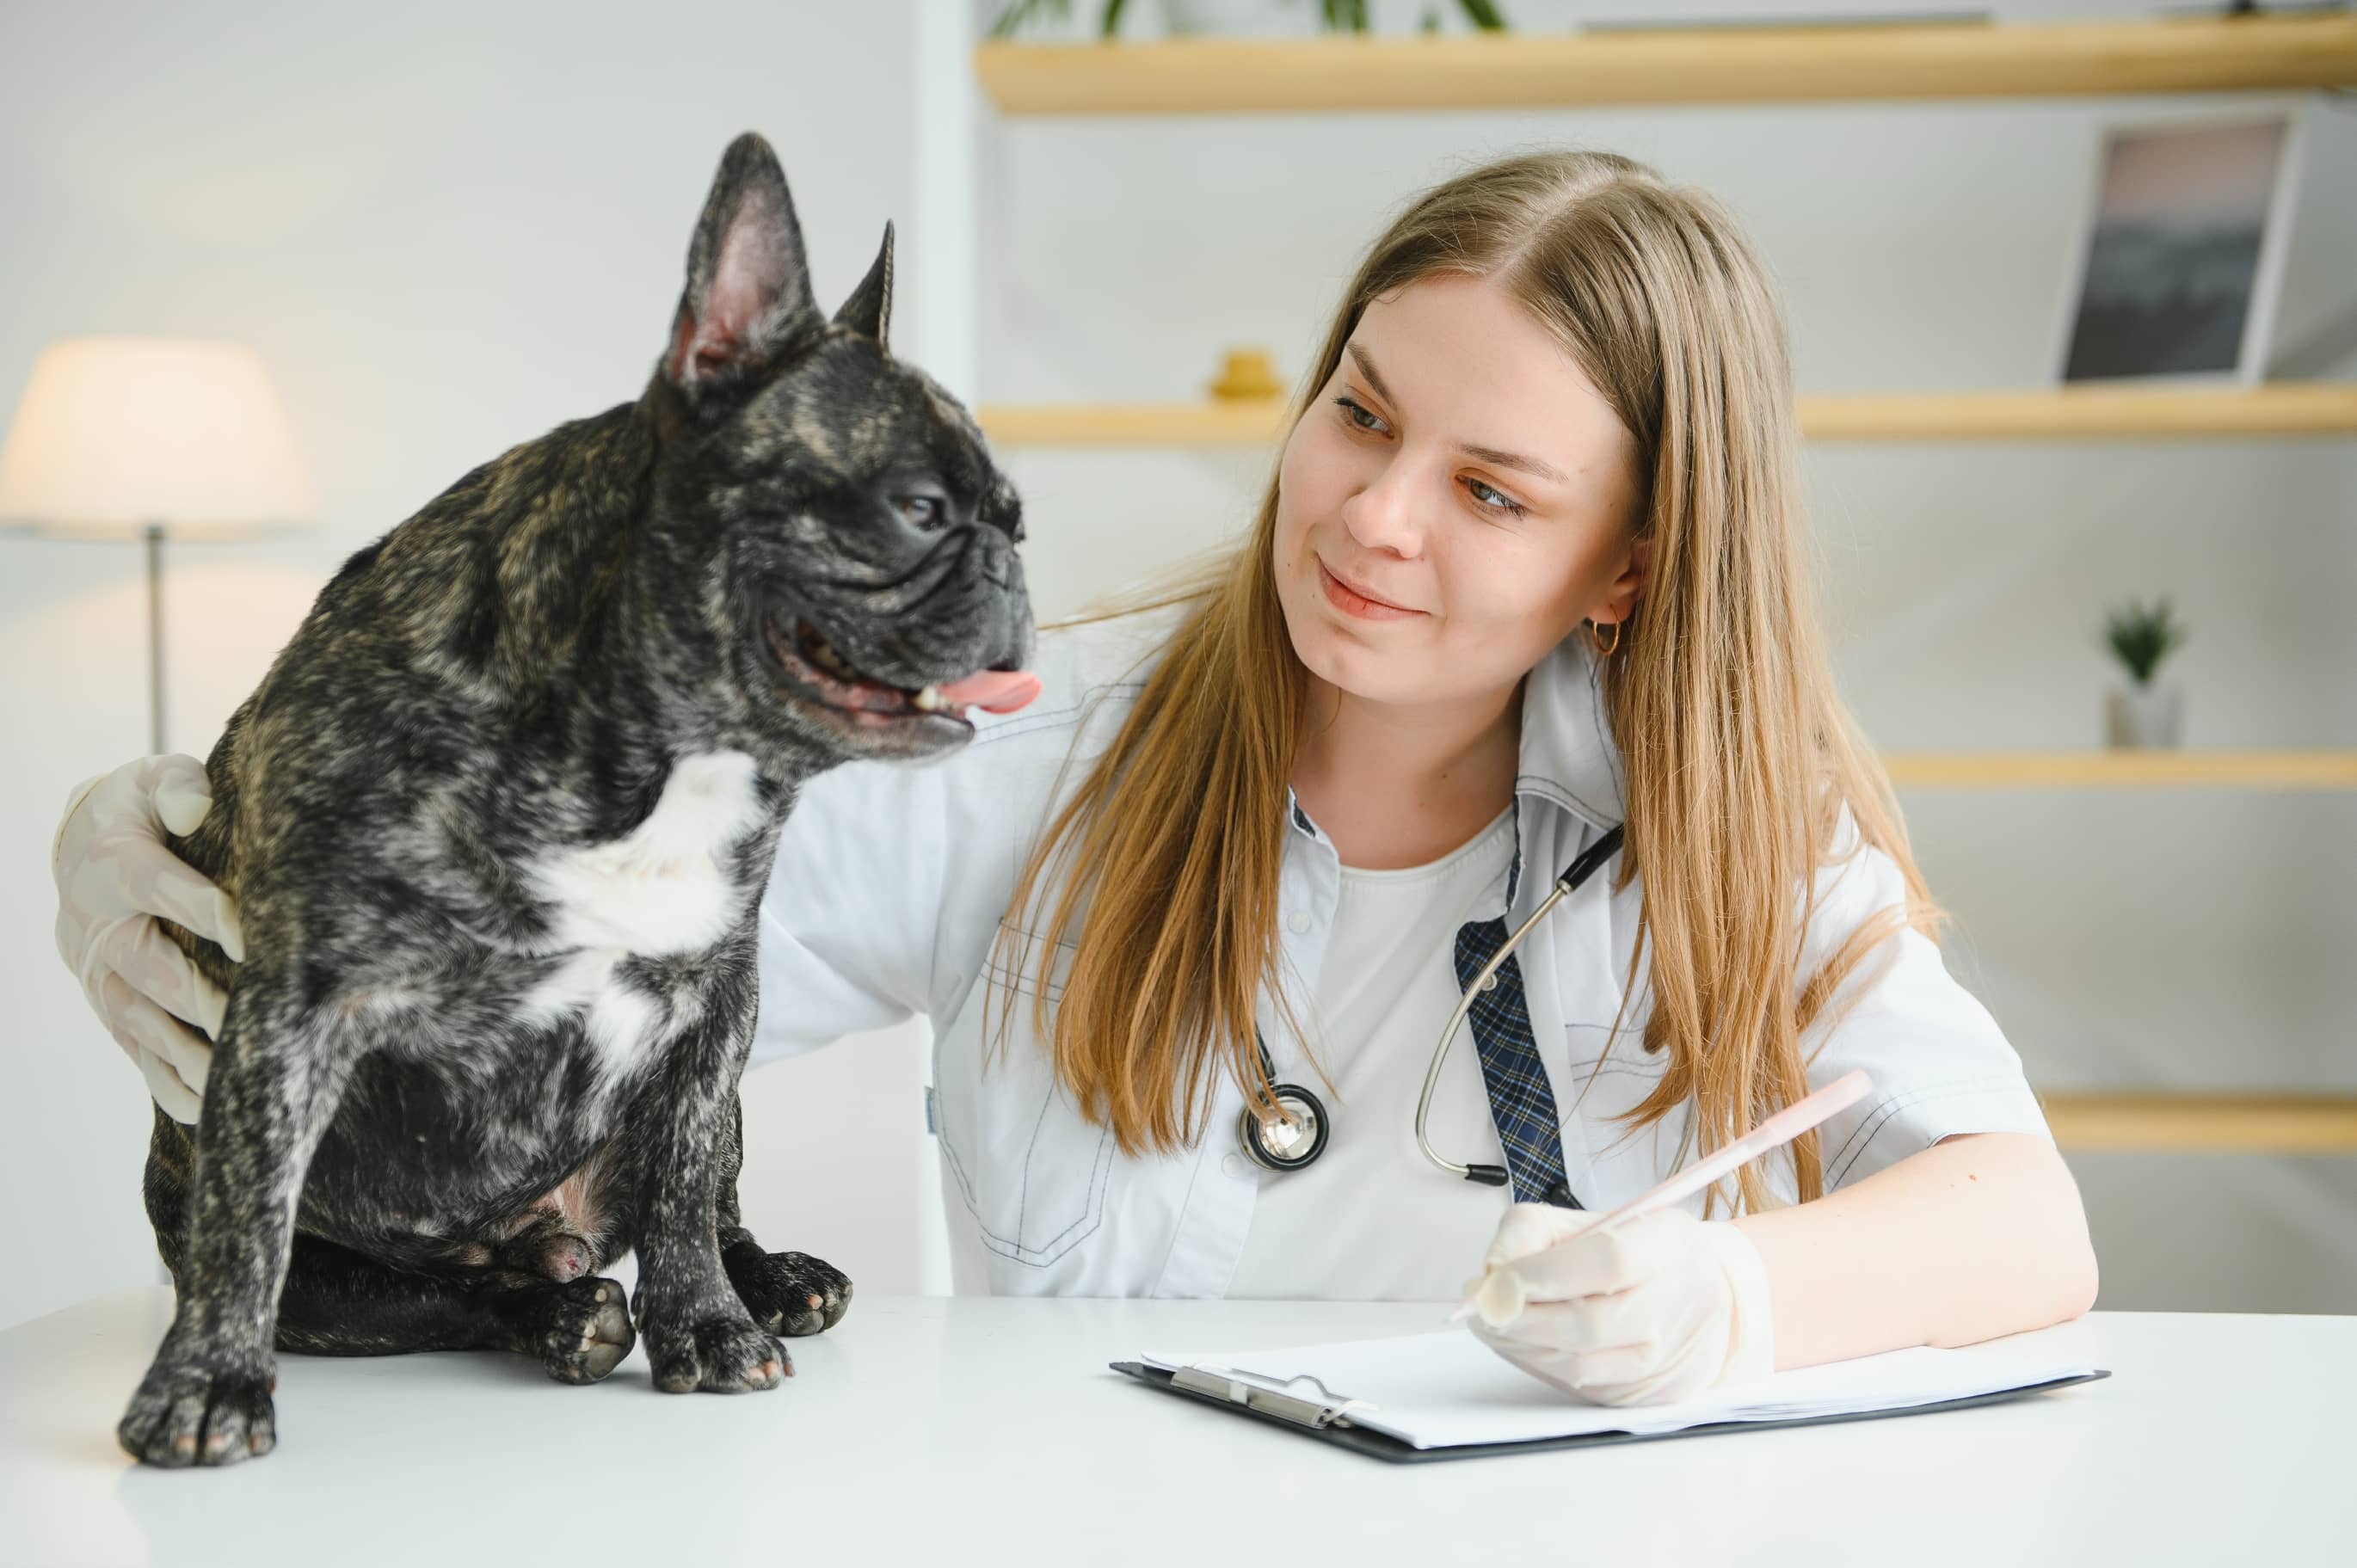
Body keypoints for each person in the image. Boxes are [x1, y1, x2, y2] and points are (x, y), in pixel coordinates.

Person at [52, 149, 2097, 1408]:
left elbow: (2020, 1224)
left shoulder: (1728, 837)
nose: (1372, 519)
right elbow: (543, 997)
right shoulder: (1017, 757)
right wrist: (176, 853)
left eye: (1487, 489)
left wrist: (1724, 1302)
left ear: (1629, 562)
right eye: (1357, 415)